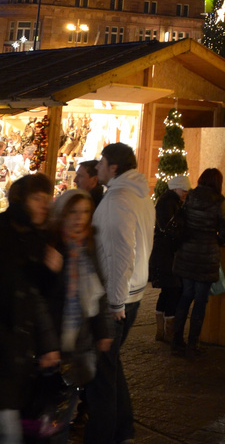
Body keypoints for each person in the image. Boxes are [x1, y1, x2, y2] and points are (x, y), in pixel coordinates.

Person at [84, 142, 154, 444]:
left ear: (113, 168)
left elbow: (121, 253)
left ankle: (103, 437)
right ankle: (124, 430)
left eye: (101, 163)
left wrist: (114, 302)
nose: (97, 167)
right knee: (111, 366)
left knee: (101, 376)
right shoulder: (140, 196)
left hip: (118, 299)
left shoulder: (117, 199)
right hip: (133, 294)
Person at [42, 190, 112, 444]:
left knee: (62, 417)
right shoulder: (50, 245)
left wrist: (103, 331)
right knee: (47, 419)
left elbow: (97, 293)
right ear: (62, 213)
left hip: (78, 345)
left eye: (84, 212)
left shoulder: (88, 245)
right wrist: (52, 272)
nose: (79, 218)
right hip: (51, 346)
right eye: (73, 212)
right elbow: (40, 301)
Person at [0, 174, 60, 444]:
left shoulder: (41, 240)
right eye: (37, 199)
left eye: (47, 200)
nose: (43, 206)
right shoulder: (3, 234)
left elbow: (38, 298)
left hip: (20, 354)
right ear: (20, 200)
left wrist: (50, 272)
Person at [171, 167, 225, 355]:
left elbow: (184, 221)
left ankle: (176, 340)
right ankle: (193, 343)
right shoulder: (218, 201)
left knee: (186, 296)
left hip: (187, 253)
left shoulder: (191, 196)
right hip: (206, 255)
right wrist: (216, 241)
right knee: (200, 300)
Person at [148, 174, 191, 343]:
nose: (185, 193)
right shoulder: (171, 203)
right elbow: (172, 229)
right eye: (184, 189)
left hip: (163, 254)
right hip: (168, 256)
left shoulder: (166, 201)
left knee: (167, 291)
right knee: (173, 291)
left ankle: (162, 331)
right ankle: (169, 332)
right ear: (176, 188)